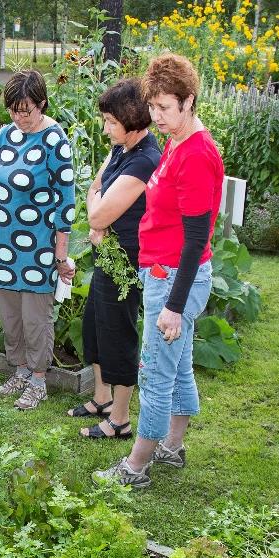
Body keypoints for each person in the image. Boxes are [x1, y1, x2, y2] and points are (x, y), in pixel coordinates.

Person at [94, 54, 224, 488]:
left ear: (189, 102)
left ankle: (136, 465)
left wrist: (173, 304)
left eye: (166, 107)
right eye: (153, 108)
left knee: (155, 373)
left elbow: (196, 238)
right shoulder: (177, 142)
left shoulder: (197, 154)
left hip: (173, 279)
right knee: (180, 364)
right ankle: (172, 445)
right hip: (162, 273)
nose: (157, 117)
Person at [68, 78, 160, 439]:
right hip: (107, 257)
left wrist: (98, 216)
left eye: (110, 121)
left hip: (127, 264)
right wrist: (97, 209)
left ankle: (120, 419)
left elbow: (96, 215)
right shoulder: (122, 149)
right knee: (94, 324)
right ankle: (101, 398)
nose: (105, 128)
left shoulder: (145, 159)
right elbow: (94, 191)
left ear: (132, 119)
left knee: (118, 333)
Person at [0, 70, 76, 411]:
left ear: (42, 104)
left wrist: (60, 254)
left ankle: (38, 381)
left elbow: (66, 202)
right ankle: (19, 372)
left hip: (38, 248)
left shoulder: (54, 139)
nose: (20, 117)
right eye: (14, 110)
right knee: (10, 317)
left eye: (26, 110)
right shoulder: (4, 136)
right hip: (5, 246)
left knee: (36, 319)